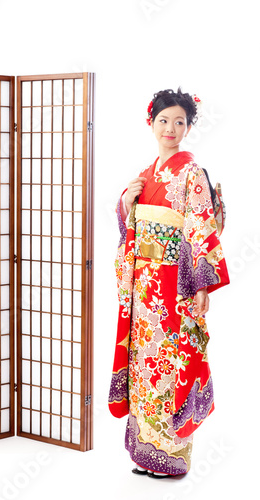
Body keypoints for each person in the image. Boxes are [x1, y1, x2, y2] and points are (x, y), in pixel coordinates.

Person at [108, 88, 230, 478]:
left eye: (180, 122)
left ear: (189, 127)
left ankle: (173, 457)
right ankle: (146, 453)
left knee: (171, 367)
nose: (171, 128)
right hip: (143, 287)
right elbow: (131, 227)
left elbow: (201, 228)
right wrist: (126, 204)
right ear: (151, 123)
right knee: (144, 365)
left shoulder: (191, 174)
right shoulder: (146, 174)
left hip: (173, 285)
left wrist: (199, 287)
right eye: (164, 121)